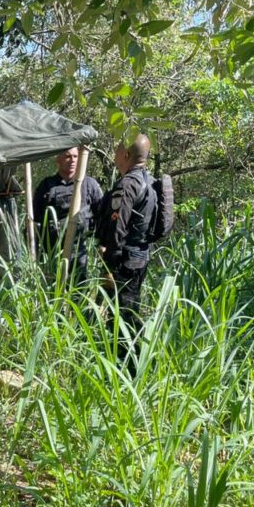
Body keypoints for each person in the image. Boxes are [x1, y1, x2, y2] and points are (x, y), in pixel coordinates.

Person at [94, 133, 158, 364]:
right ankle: (127, 364)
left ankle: (127, 368)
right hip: (140, 257)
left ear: (127, 155)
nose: (114, 154)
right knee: (128, 311)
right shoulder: (150, 182)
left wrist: (109, 265)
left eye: (118, 149)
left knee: (121, 318)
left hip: (124, 261)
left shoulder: (128, 184)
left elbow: (117, 227)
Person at [33, 147, 103, 281]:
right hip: (53, 252)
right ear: (57, 160)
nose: (72, 160)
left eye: (76, 157)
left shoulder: (90, 184)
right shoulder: (47, 185)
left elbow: (102, 215)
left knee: (79, 292)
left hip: (80, 251)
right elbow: (36, 220)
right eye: (67, 156)